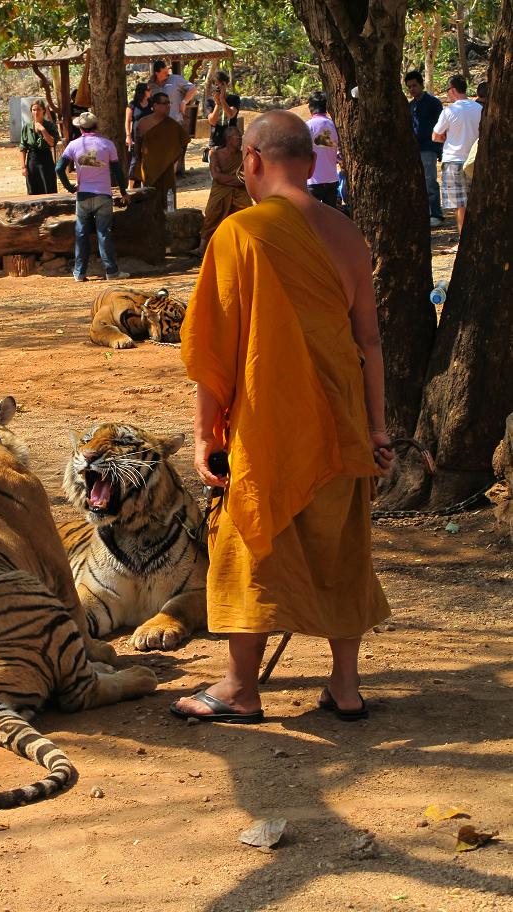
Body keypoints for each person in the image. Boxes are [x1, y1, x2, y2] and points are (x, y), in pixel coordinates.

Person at [172, 111, 394, 725]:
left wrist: (204, 434)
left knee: (251, 538)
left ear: (251, 161)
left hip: (268, 421)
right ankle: (345, 688)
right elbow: (370, 342)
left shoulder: (239, 233)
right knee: (340, 545)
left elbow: (213, 352)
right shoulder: (349, 235)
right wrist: (377, 430)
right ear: (311, 160)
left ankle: (242, 687)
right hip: (343, 417)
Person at [55, 111, 130, 283]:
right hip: (103, 194)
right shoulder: (107, 144)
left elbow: (59, 168)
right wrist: (124, 192)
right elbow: (118, 171)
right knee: (104, 233)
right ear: (96, 126)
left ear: (80, 128)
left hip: (83, 196)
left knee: (81, 233)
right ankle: (111, 271)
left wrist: (69, 187)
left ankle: (79, 273)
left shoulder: (73, 145)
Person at [432, 74, 481, 248]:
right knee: (475, 202)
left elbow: (436, 135)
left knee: (460, 205)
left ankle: (464, 241)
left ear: (452, 90)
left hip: (454, 160)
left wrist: (449, 137)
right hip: (475, 160)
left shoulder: (449, 111)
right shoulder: (479, 108)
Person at [199, 126, 252, 255]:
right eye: (238, 137)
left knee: (246, 214)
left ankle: (244, 247)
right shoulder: (216, 154)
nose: (240, 140)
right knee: (212, 215)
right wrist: (236, 180)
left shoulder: (243, 155)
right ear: (229, 139)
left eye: (241, 137)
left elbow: (247, 177)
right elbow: (216, 176)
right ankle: (202, 247)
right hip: (220, 191)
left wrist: (232, 180)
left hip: (239, 192)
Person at [404, 70, 444, 228]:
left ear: (421, 84)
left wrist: (440, 149)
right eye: (409, 87)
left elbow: (441, 127)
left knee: (430, 181)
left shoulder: (433, 103)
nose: (412, 89)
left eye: (414, 85)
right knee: (418, 183)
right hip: (414, 150)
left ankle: (436, 214)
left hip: (429, 148)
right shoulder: (411, 105)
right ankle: (424, 213)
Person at [138, 93, 190, 211]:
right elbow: (138, 148)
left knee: (169, 205)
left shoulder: (172, 125)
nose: (168, 106)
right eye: (165, 103)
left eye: (169, 103)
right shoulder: (143, 123)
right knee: (150, 205)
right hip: (149, 171)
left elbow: (182, 143)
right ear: (155, 105)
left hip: (167, 171)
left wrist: (174, 162)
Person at [148, 60, 197, 177]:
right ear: (156, 73)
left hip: (174, 122)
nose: (167, 73)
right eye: (164, 72)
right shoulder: (151, 85)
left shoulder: (175, 79)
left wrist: (184, 101)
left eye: (167, 71)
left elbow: (193, 88)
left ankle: (171, 177)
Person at [305, 90, 340, 209]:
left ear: (310, 107)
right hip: (332, 180)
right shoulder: (335, 125)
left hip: (313, 183)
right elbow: (339, 154)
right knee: (330, 220)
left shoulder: (308, 126)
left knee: (312, 220)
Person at [19, 99, 59, 195]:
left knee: (48, 186)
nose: (36, 112)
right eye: (33, 110)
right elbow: (22, 147)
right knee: (33, 188)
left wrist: (43, 130)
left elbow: (52, 143)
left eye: (38, 110)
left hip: (46, 159)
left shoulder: (50, 126)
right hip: (32, 160)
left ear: (43, 111)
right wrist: (23, 167)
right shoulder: (27, 127)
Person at [125, 83, 153, 189]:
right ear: (143, 92)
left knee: (148, 160)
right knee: (135, 160)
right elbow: (127, 121)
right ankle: (130, 187)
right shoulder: (132, 105)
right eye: (148, 90)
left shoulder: (151, 103)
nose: (150, 91)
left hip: (149, 137)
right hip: (137, 137)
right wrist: (128, 136)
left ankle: (145, 184)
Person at [206, 70, 240, 151]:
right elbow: (212, 121)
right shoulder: (209, 101)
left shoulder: (234, 99)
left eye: (222, 84)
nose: (219, 87)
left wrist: (222, 100)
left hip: (231, 140)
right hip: (215, 141)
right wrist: (217, 104)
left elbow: (231, 115)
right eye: (216, 84)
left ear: (227, 85)